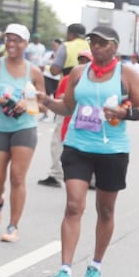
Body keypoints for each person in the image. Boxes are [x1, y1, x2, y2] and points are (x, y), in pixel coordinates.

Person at [40, 25, 139, 277]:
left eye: (102, 43)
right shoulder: (79, 73)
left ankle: (96, 266)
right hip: (78, 146)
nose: (97, 47)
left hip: (112, 151)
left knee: (105, 210)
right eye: (93, 42)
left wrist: (125, 114)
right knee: (74, 206)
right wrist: (46, 101)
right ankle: (65, 270)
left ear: (115, 46)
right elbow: (67, 106)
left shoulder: (126, 75)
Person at [0, 23, 46, 243]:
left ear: (25, 44)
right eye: (8, 39)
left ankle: (13, 226)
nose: (11, 44)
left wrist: (28, 102)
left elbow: (43, 106)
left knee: (17, 177)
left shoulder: (33, 72)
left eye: (17, 40)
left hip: (24, 128)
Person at [40, 23, 90, 187]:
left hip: (68, 91)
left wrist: (49, 66)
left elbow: (55, 70)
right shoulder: (92, 45)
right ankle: (90, 176)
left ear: (70, 34)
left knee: (59, 136)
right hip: (91, 96)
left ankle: (56, 174)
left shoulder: (66, 46)